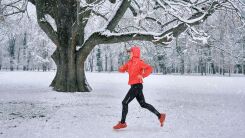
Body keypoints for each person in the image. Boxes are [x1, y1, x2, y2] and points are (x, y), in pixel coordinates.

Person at [113, 46, 166, 129]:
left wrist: (142, 75)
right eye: (129, 52)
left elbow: (149, 68)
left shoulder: (139, 62)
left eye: (130, 52)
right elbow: (123, 69)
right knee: (143, 104)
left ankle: (122, 123)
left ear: (134, 53)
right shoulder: (129, 62)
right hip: (135, 86)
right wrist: (121, 68)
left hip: (137, 86)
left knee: (124, 102)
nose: (129, 54)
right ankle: (160, 116)